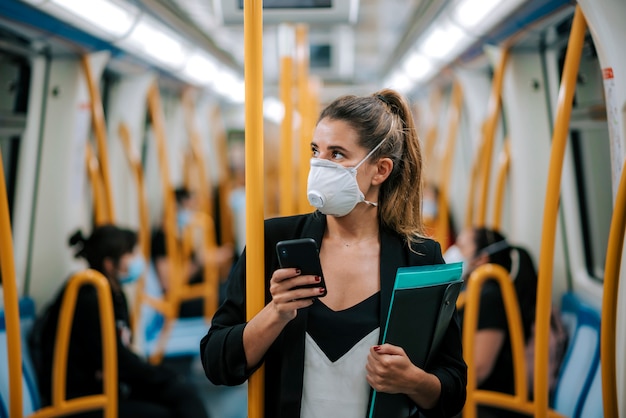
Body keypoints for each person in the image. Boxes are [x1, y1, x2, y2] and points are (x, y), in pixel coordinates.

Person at [200, 89, 467, 417]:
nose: (319, 165)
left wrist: (413, 380)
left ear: (380, 170)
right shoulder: (273, 241)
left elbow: (453, 390)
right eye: (316, 150)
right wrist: (275, 313)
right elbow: (216, 362)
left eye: (337, 154)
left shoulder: (420, 258)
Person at [31, 224, 209, 418]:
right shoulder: (86, 296)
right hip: (82, 399)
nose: (137, 259)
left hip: (107, 388)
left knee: (182, 394)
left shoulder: (114, 295)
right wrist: (160, 374)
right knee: (167, 409)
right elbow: (116, 359)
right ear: (109, 264)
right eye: (130, 253)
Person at [455, 227, 538, 418]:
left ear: (481, 259)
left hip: (491, 403)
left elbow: (478, 371)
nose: (454, 252)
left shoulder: (491, 297)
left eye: (461, 247)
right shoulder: (470, 292)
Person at [151, 187, 233, 317]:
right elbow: (170, 284)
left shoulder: (180, 235)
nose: (193, 215)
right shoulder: (162, 240)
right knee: (233, 297)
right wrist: (198, 263)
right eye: (190, 209)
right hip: (181, 301)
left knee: (236, 283)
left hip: (196, 289)